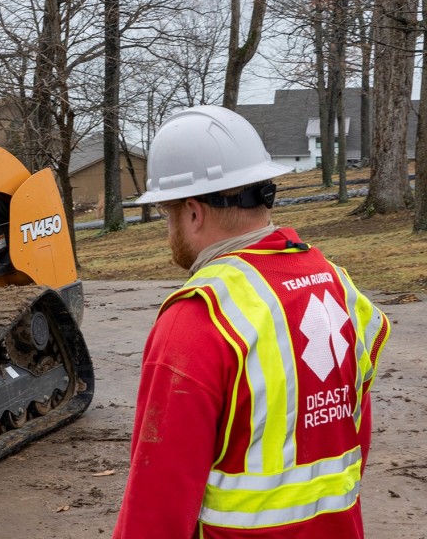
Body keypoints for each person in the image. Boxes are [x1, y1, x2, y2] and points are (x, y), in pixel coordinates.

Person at [112, 105, 390, 538]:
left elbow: (158, 501)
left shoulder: (200, 318)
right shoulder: (339, 288)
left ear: (193, 212)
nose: (169, 231)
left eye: (167, 215)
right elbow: (353, 439)